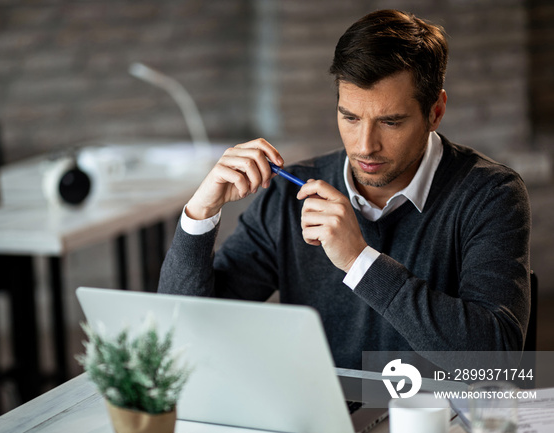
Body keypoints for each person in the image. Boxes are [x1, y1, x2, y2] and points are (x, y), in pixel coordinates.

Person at [158, 9, 531, 369]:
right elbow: (185, 330)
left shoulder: (491, 194)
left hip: (435, 423)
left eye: (391, 122)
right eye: (349, 117)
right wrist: (199, 215)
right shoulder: (291, 193)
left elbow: (495, 358)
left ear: (435, 112)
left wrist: (359, 261)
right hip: (325, 424)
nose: (365, 145)